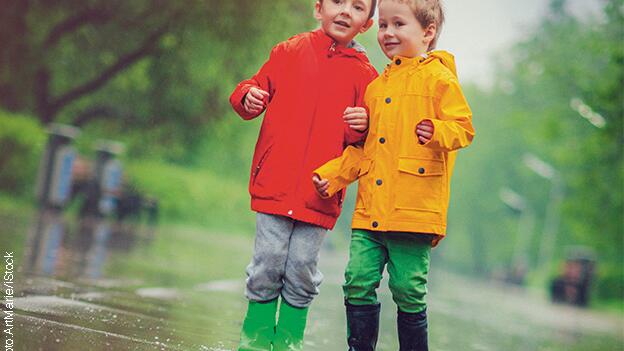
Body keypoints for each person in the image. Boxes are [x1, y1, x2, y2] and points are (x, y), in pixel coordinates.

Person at [313, 0, 475, 349]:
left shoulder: (439, 79)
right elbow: (366, 152)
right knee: (356, 280)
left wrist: (436, 131)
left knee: (408, 289)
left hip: (414, 214)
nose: (387, 33)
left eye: (398, 24)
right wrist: (334, 175)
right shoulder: (376, 88)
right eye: (383, 25)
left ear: (428, 32)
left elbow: (463, 128)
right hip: (370, 211)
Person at [228, 0, 378, 349]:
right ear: (318, 8)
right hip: (275, 185)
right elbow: (252, 86)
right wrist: (247, 96)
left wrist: (362, 126)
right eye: (337, 2)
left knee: (300, 270)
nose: (344, 12)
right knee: (267, 263)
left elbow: (365, 143)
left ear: (367, 24)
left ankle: (289, 341)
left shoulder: (366, 75)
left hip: (320, 194)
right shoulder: (289, 51)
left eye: (357, 7)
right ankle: (255, 339)